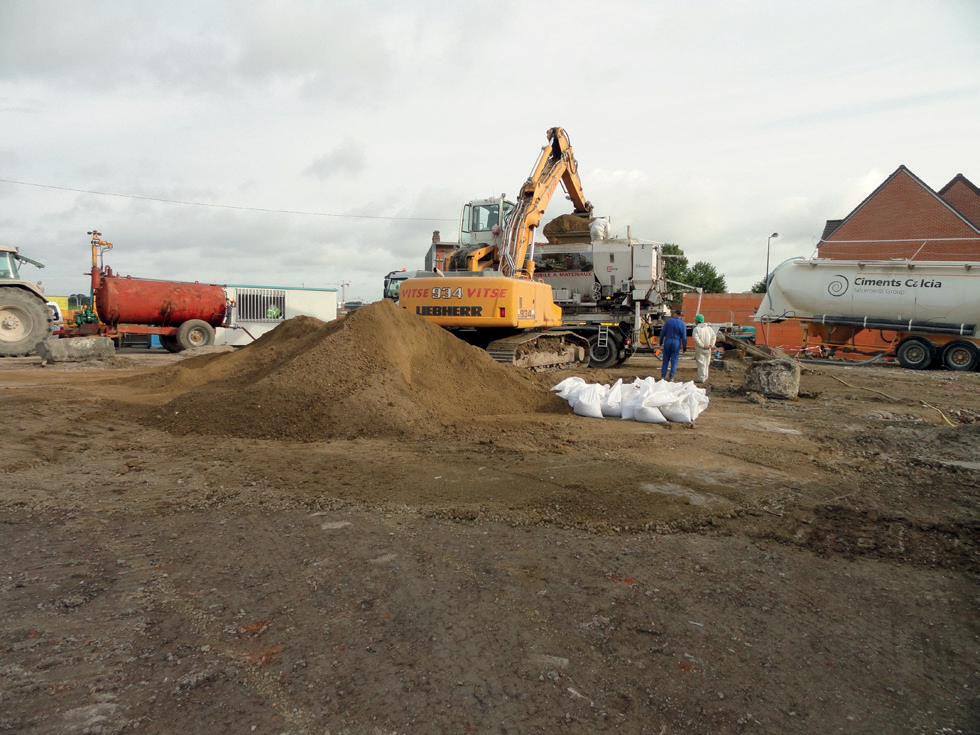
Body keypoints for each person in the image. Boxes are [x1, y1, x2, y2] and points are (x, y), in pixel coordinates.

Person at [658, 309, 687, 381]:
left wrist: (661, 341)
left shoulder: (668, 322)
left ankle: (663, 376)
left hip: (668, 341)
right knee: (674, 359)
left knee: (665, 360)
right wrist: (684, 346)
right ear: (680, 316)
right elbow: (684, 337)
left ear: (675, 314)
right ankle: (671, 376)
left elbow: (662, 333)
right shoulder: (682, 324)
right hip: (676, 342)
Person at [692, 314, 717, 383]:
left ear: (697, 321)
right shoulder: (709, 328)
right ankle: (705, 376)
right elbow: (713, 337)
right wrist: (711, 345)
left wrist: (702, 345)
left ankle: (701, 378)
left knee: (701, 363)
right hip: (708, 349)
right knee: (706, 363)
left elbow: (696, 338)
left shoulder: (696, 329)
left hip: (700, 348)